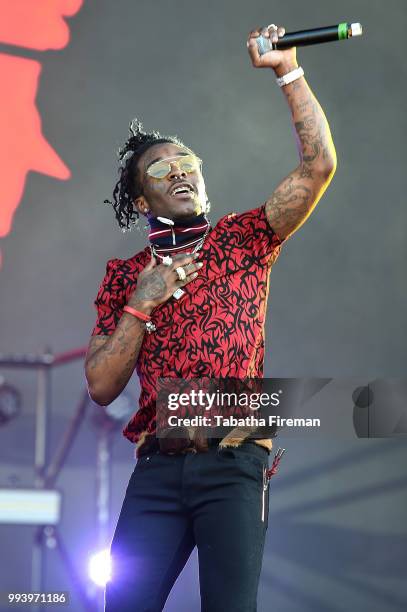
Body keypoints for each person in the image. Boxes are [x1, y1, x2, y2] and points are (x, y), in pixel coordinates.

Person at [85, 23, 336, 612]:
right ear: (142, 201)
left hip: (234, 458)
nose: (179, 170)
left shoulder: (243, 239)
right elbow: (100, 385)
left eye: (187, 162)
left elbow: (318, 165)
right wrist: (141, 305)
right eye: (160, 168)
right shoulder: (125, 278)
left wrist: (288, 72)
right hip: (158, 467)